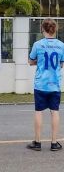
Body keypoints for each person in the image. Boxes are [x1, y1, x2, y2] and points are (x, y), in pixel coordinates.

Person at [27, 18, 64, 151]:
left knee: (38, 112)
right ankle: (54, 143)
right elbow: (61, 64)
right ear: (55, 29)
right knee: (55, 112)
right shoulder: (61, 45)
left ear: (43, 29)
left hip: (41, 84)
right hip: (54, 85)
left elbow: (30, 61)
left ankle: (37, 142)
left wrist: (39, 62)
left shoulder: (38, 44)